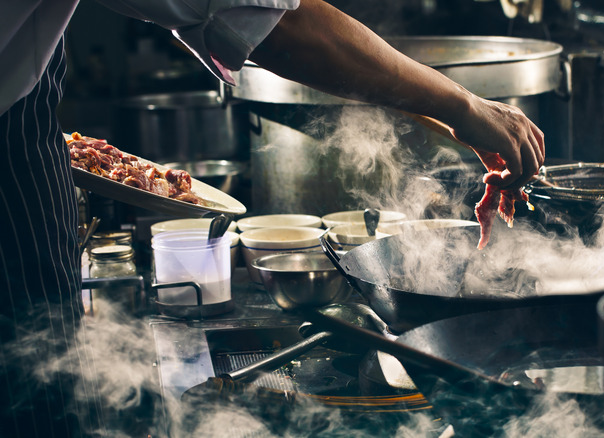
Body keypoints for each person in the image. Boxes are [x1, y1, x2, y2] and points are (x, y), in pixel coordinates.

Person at [0, 0, 544, 436]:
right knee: (25, 392)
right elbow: (278, 21)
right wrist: (463, 107)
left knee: (39, 374)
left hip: (24, 118)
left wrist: (450, 116)